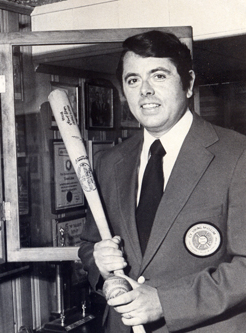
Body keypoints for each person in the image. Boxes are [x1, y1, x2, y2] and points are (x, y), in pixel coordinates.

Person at [77, 30, 246, 332]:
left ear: (189, 82)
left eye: (158, 76)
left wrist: (166, 302)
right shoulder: (109, 162)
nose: (145, 90)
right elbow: (90, 245)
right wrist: (102, 268)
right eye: (133, 80)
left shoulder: (237, 154)